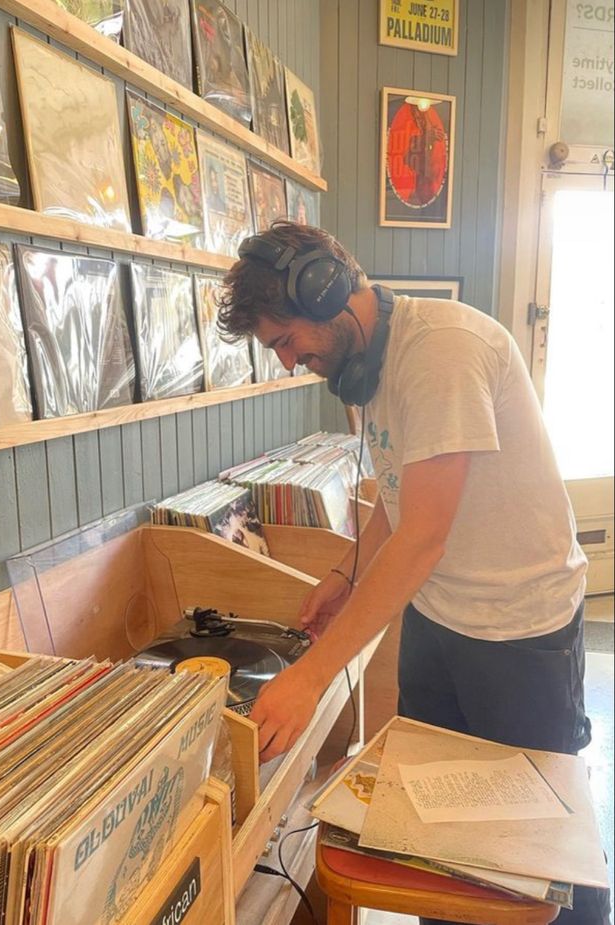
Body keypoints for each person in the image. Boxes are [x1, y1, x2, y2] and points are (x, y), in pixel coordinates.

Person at [216, 220, 610, 925]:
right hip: (437, 616)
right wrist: (345, 571)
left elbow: (424, 535)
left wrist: (306, 679)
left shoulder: (441, 353)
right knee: (432, 833)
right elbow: (398, 495)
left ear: (324, 290)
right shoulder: (360, 368)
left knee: (539, 856)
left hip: (520, 625)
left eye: (283, 340)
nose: (284, 361)